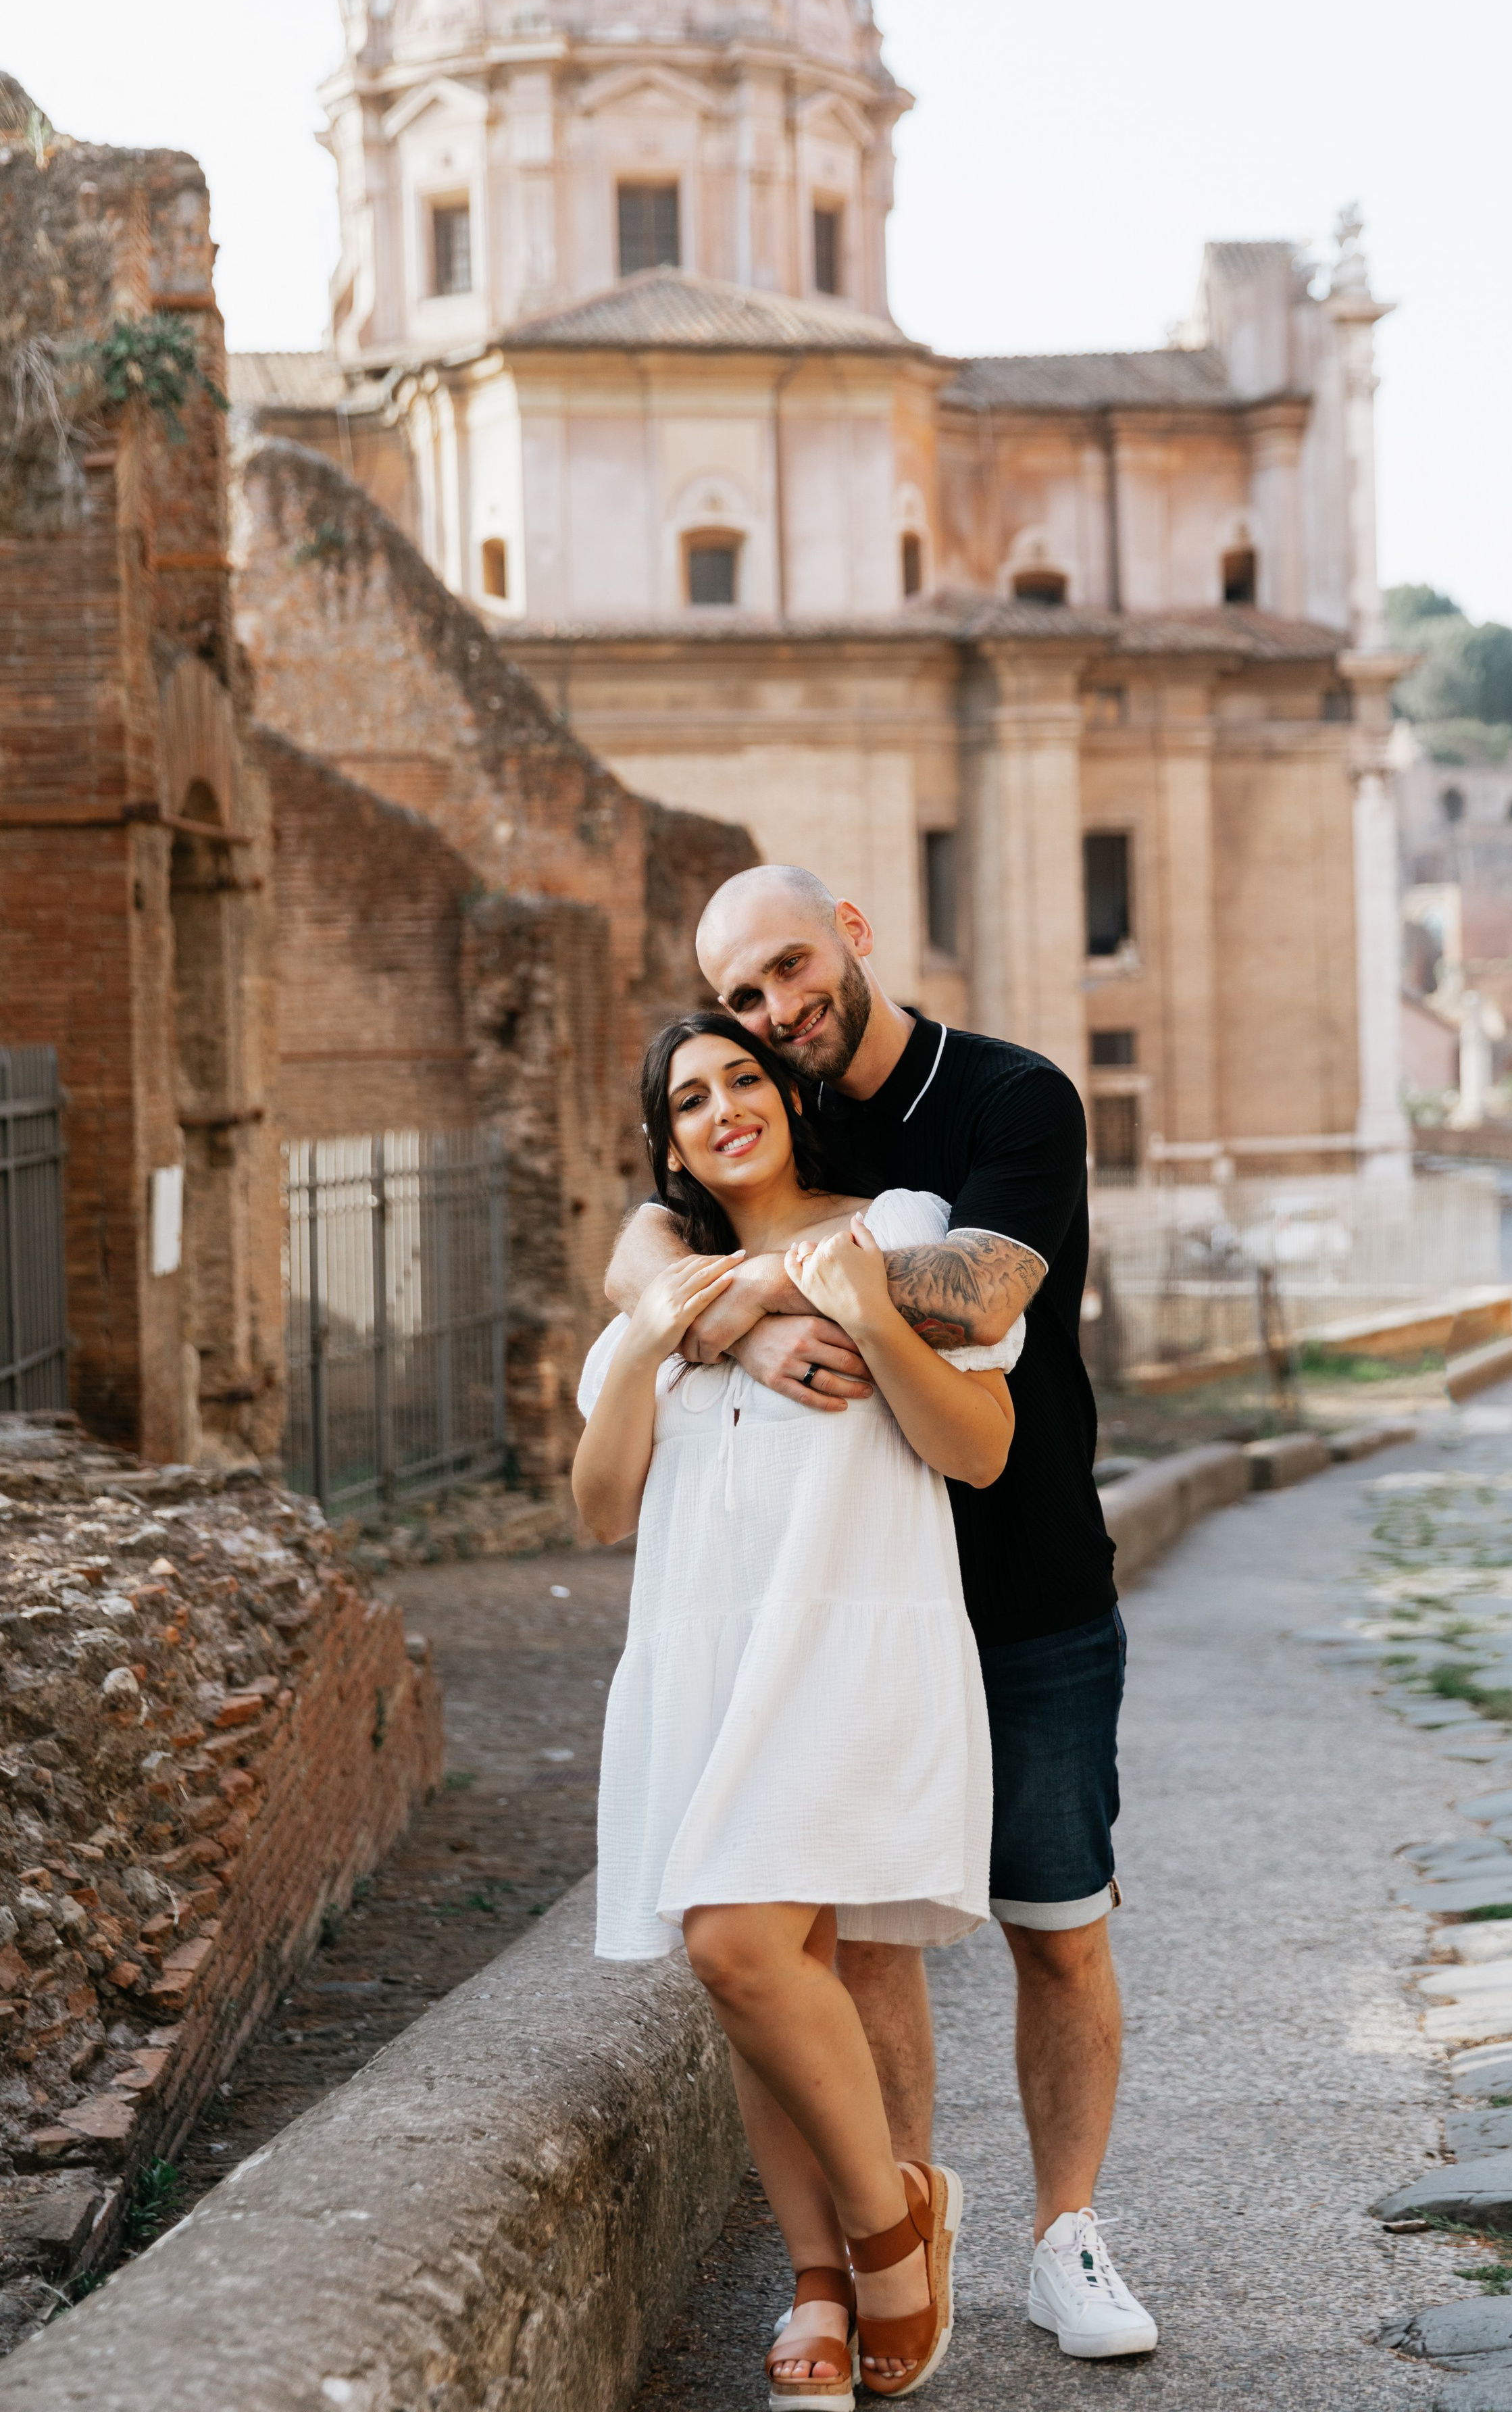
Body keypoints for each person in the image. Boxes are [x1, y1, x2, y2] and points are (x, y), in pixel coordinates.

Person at [604, 865, 1159, 2363]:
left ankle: (1065, 2234)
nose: (776, 1013)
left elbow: (975, 1294)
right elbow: (639, 1244)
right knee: (857, 1950)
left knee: (1056, 1928)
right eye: (742, 999)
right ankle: (896, 2222)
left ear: (852, 933)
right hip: (838, 1608)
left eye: (789, 970)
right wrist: (726, 1294)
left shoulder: (1011, 1098)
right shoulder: (772, 1105)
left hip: (1019, 1583)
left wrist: (757, 1297)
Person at [574, 1009, 1025, 2402]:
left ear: (783, 1098)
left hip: (846, 1650)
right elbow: (596, 1508)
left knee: (738, 1947)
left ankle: (891, 2235)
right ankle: (820, 2283)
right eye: (691, 1099)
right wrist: (663, 1332)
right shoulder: (655, 1299)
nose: (724, 1109)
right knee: (770, 1978)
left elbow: (981, 1449)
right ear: (667, 1148)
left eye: (742, 1080)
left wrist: (853, 1312)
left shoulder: (892, 1228)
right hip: (705, 1661)